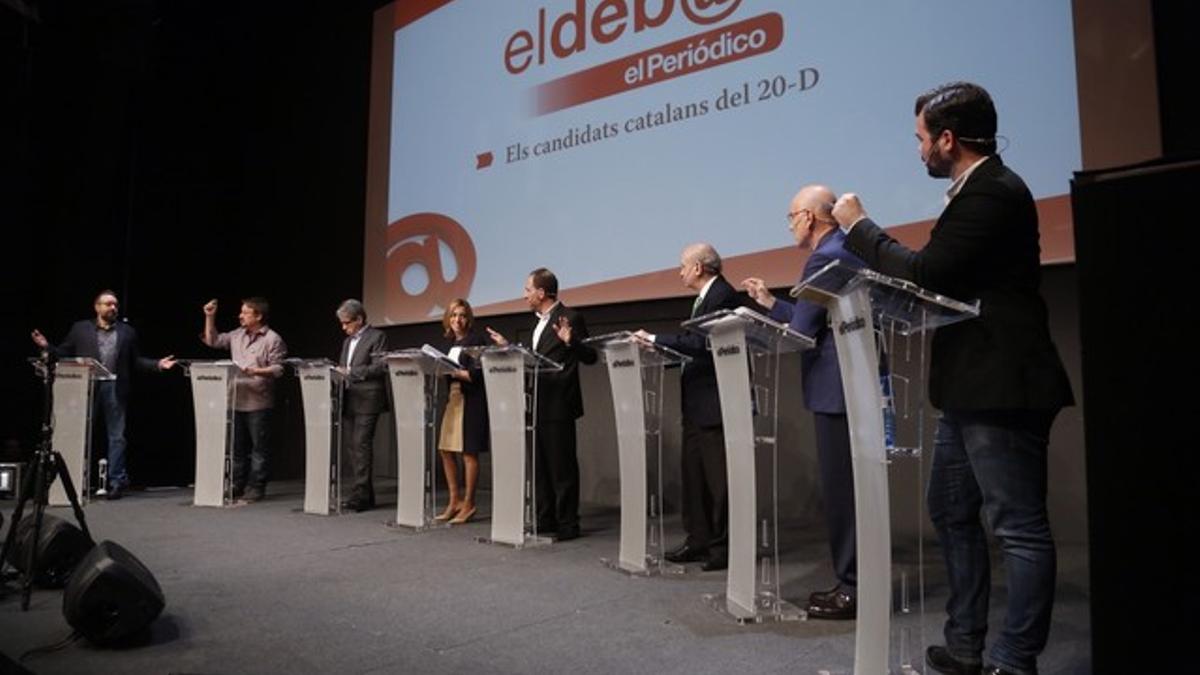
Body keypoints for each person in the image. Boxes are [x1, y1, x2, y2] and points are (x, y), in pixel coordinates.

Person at [832, 81, 1074, 675]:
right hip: (969, 385)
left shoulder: (993, 191)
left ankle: (1015, 661)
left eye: (921, 139)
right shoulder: (973, 193)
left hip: (1002, 383)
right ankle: (966, 646)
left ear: (947, 139)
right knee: (951, 511)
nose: (918, 151)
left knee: (1017, 528)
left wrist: (860, 226)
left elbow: (929, 272)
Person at [743, 184, 864, 617]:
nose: (790, 224)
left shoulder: (825, 255)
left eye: (791, 216)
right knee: (851, 490)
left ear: (809, 218)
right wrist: (770, 303)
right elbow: (807, 319)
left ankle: (852, 587)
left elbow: (802, 331)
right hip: (849, 386)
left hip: (837, 389)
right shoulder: (844, 247)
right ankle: (852, 583)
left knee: (844, 492)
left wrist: (753, 321)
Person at [633, 243, 740, 572]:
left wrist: (654, 340)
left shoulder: (722, 296)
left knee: (718, 482)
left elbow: (705, 345)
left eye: (682, 266)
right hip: (696, 405)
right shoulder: (703, 299)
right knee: (694, 477)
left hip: (715, 404)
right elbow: (693, 350)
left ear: (698, 268)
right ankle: (698, 540)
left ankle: (722, 549)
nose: (679, 271)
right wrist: (663, 355)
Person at [30, 290, 176, 499]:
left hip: (115, 387)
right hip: (85, 387)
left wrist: (158, 364)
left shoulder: (127, 332)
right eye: (108, 304)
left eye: (115, 305)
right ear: (97, 307)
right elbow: (64, 352)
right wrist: (47, 347)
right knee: (80, 434)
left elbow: (136, 361)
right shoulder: (80, 329)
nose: (113, 308)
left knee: (117, 437)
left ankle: (116, 482)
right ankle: (72, 482)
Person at [486, 268, 596, 541]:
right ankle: (545, 520)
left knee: (562, 468)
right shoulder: (536, 323)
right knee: (541, 468)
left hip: (560, 403)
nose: (524, 295)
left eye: (527, 289)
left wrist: (572, 342)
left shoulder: (570, 318)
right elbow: (536, 359)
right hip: (536, 403)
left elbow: (590, 356)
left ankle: (568, 524)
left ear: (541, 292)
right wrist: (509, 347)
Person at [201, 297, 288, 504]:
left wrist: (256, 371)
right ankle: (235, 484)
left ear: (258, 316)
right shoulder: (236, 335)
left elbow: (279, 368)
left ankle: (256, 487)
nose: (240, 315)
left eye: (245, 312)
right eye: (241, 312)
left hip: (258, 402)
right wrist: (209, 317)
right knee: (236, 448)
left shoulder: (273, 339)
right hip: (234, 399)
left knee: (259, 449)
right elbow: (212, 340)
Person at [435, 299, 490, 524]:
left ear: (469, 319)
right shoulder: (453, 343)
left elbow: (475, 375)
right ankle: (454, 500)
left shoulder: (475, 341)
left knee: (469, 453)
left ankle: (469, 503)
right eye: (454, 315)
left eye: (462, 315)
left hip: (471, 401)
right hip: (454, 399)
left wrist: (451, 371)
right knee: (446, 449)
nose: (458, 319)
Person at [334, 299, 388, 512]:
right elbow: (343, 366)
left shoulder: (378, 336)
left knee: (361, 446)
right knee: (353, 448)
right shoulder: (347, 342)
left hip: (368, 399)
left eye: (347, 323)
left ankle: (361, 496)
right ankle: (365, 494)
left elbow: (380, 367)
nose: (343, 327)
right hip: (349, 398)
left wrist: (350, 373)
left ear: (360, 319)